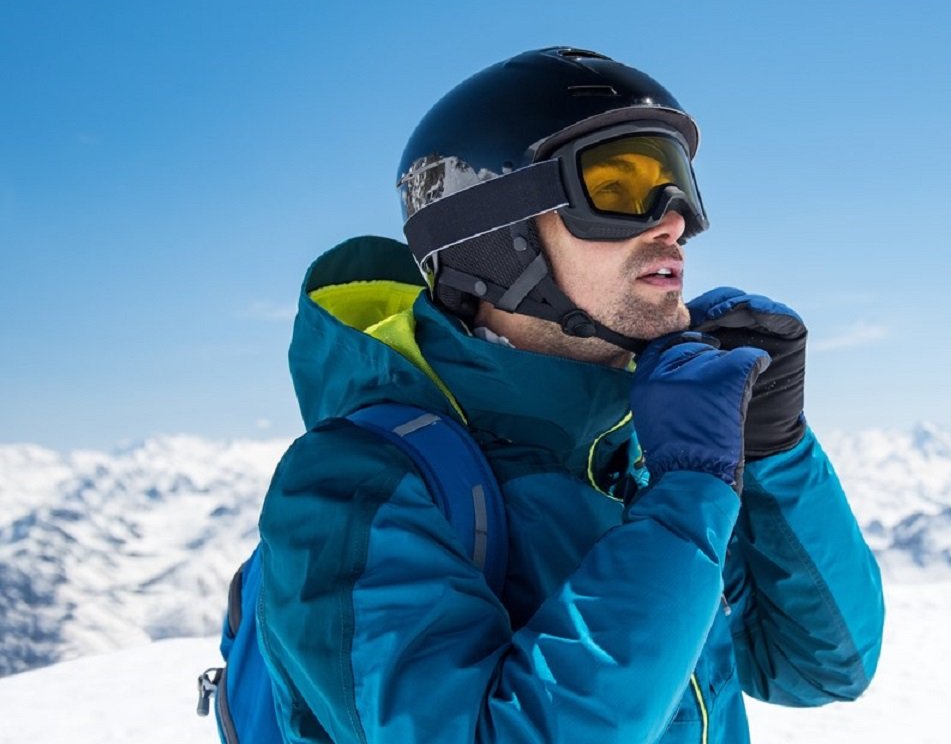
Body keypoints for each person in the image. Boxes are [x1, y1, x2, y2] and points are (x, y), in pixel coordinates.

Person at [257, 46, 884, 743]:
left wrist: (774, 447)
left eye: (680, 183)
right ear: (495, 239)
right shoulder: (350, 489)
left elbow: (821, 665)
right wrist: (687, 499)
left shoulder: (637, 452)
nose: (676, 219)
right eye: (620, 186)